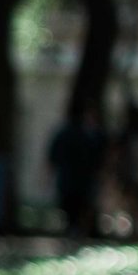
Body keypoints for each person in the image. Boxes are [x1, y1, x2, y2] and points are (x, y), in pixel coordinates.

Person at [48, 102, 108, 238]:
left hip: (86, 178)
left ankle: (81, 230)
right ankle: (73, 228)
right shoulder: (68, 133)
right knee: (71, 203)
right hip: (70, 177)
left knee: (85, 203)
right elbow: (54, 155)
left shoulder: (97, 135)